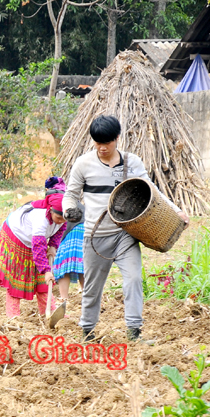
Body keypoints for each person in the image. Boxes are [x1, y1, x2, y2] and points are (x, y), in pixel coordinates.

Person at [63, 115, 189, 343]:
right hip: (95, 237)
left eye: (107, 142)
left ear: (117, 138)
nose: (102, 147)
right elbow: (70, 195)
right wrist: (69, 209)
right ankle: (87, 332)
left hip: (125, 234)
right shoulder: (83, 164)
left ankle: (134, 333)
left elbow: (152, 191)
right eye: (97, 142)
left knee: (133, 280)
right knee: (92, 288)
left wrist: (176, 210)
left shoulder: (132, 163)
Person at [0, 177, 68, 318]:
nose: (61, 221)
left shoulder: (62, 217)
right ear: (50, 209)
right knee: (17, 278)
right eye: (58, 218)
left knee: (43, 281)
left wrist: (53, 246)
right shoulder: (40, 218)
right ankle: (13, 316)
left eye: (63, 219)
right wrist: (46, 270)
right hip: (16, 236)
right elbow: (39, 247)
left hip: (33, 239)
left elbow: (60, 230)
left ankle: (50, 312)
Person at [52, 201, 85, 301]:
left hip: (72, 232)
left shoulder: (57, 202)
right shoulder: (78, 203)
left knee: (62, 265)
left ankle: (64, 298)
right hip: (87, 231)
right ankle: (89, 298)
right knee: (84, 266)